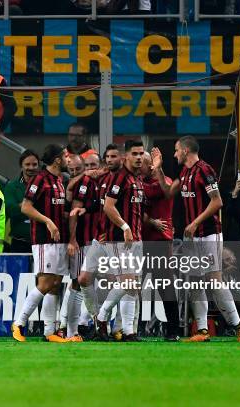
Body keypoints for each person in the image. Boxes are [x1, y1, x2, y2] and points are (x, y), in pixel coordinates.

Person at [152, 136, 240, 343]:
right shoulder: (185, 172)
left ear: (186, 151)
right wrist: (158, 169)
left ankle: (239, 327)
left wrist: (195, 222)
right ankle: (203, 331)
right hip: (192, 237)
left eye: (177, 150)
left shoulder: (204, 170)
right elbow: (168, 192)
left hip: (208, 233)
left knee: (214, 281)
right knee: (195, 283)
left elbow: (217, 202)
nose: (175, 154)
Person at [11, 144, 69, 343]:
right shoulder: (40, 179)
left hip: (59, 240)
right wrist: (48, 221)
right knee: (44, 283)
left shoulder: (59, 180)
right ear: (57, 160)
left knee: (55, 284)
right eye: (66, 156)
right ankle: (18, 323)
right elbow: (26, 208)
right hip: (44, 240)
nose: (69, 160)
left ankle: (49, 331)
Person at [93, 139, 146, 342]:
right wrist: (125, 227)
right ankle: (102, 315)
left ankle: (128, 331)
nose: (139, 157)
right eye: (135, 154)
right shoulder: (120, 178)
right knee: (127, 282)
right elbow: (108, 206)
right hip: (120, 240)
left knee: (132, 287)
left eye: (141, 153)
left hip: (136, 239)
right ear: (126, 156)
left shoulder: (137, 179)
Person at [76, 144, 122, 337]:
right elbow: (98, 204)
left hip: (116, 239)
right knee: (84, 279)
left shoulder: (125, 179)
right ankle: (97, 321)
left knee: (117, 282)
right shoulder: (102, 178)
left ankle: (117, 327)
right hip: (99, 238)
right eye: (108, 157)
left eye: (114, 156)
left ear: (121, 159)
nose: (110, 160)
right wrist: (86, 209)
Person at [140, 152, 180, 341]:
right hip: (137, 239)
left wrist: (159, 168)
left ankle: (173, 330)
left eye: (144, 162)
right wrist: (149, 221)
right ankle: (130, 329)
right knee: (129, 284)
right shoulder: (135, 181)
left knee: (165, 285)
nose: (139, 164)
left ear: (151, 166)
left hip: (159, 242)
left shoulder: (163, 181)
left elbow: (167, 192)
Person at [55, 154, 88, 341]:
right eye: (71, 170)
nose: (74, 173)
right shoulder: (71, 187)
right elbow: (71, 215)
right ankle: (70, 330)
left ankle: (75, 326)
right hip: (80, 241)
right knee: (76, 283)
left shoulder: (89, 182)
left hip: (95, 240)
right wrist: (73, 239)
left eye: (78, 169)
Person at [4, 149, 39, 253]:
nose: (31, 167)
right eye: (27, 164)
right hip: (19, 243)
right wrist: (30, 205)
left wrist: (23, 207)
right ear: (21, 166)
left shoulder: (45, 185)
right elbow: (10, 210)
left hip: (41, 242)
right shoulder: (12, 186)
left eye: (34, 164)